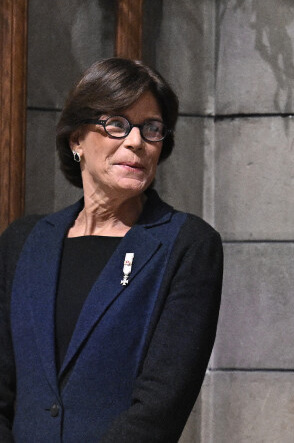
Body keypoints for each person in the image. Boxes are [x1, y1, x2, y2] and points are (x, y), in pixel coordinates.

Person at [0, 58, 223, 442]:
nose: (136, 141)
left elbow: (160, 407)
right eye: (116, 124)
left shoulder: (186, 244)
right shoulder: (24, 241)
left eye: (151, 128)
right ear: (76, 140)